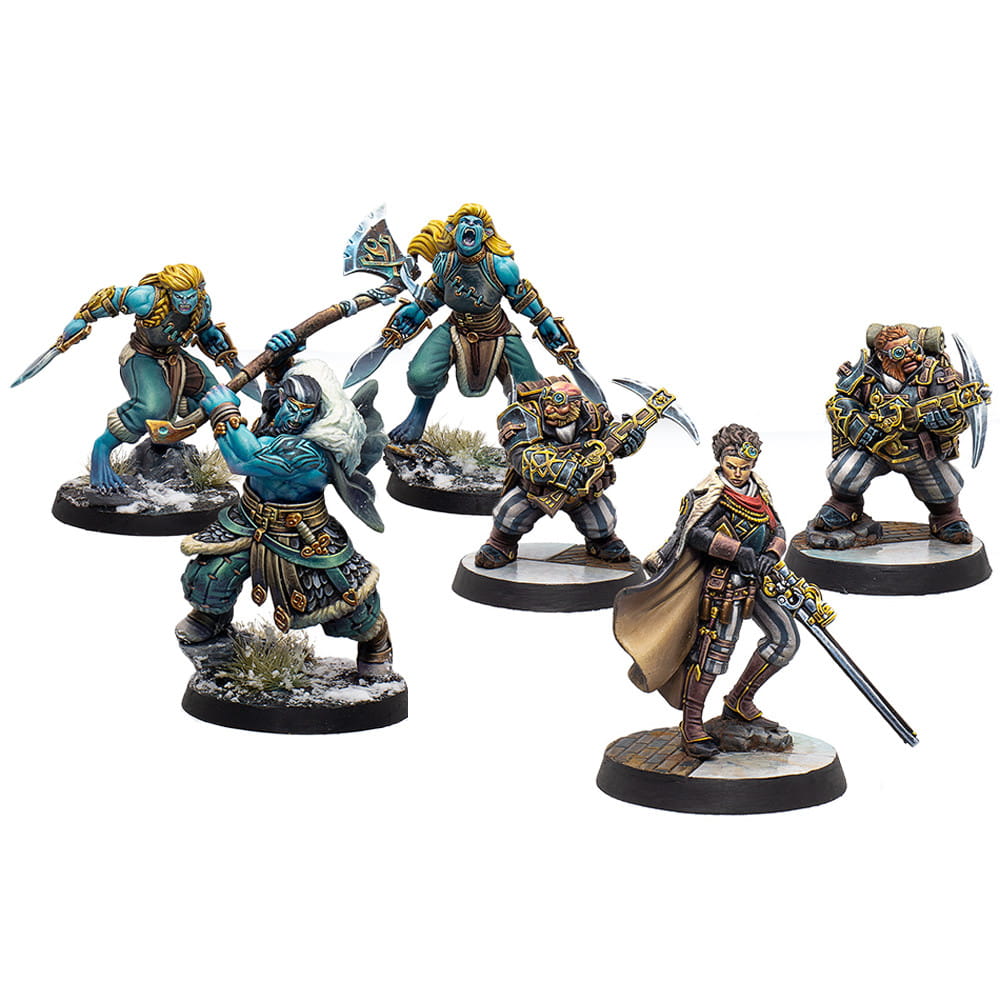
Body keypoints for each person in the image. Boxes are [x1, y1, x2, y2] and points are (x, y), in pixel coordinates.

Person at [174, 347, 392, 676]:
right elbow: (261, 420)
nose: (294, 416)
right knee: (208, 579)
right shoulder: (275, 423)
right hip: (247, 520)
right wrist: (279, 363)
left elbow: (244, 459)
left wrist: (223, 410)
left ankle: (377, 642)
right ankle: (212, 618)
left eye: (305, 411)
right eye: (290, 405)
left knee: (346, 604)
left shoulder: (310, 451)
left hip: (302, 532)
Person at [613, 424, 798, 759]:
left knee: (785, 641)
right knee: (714, 655)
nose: (738, 473)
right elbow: (695, 533)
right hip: (722, 585)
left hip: (758, 578)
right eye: (732, 466)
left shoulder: (759, 491)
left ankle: (740, 700)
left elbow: (778, 527)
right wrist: (737, 551)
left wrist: (772, 553)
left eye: (745, 466)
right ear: (721, 461)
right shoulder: (711, 494)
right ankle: (692, 724)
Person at [378, 204, 585, 442]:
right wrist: (414, 312)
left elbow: (522, 297)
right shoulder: (446, 263)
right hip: (455, 328)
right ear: (454, 230)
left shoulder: (501, 267)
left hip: (496, 331)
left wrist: (544, 320)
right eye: (464, 222)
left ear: (485, 234)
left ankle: (535, 430)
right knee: (421, 376)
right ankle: (417, 416)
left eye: (477, 223)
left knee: (530, 387)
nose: (470, 226)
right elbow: (433, 296)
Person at [55, 263, 257, 490]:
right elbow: (109, 298)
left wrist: (217, 343)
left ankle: (237, 450)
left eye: (190, 297)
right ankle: (102, 449)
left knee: (216, 397)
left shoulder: (203, 303)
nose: (185, 302)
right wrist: (81, 321)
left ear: (199, 291)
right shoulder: (146, 298)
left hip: (176, 357)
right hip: (142, 357)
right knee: (151, 408)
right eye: (179, 297)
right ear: (169, 291)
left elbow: (204, 329)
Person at [809, 323, 983, 546]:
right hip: (874, 448)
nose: (911, 356)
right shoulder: (866, 375)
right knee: (845, 475)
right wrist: (860, 427)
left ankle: (947, 518)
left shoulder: (936, 374)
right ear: (882, 356)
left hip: (919, 450)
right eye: (899, 352)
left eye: (913, 349)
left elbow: (959, 418)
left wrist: (945, 422)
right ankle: (843, 507)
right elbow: (839, 403)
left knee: (943, 489)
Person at [475, 376, 646, 568]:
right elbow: (521, 456)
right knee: (510, 514)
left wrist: (628, 440)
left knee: (602, 523)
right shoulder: (526, 416)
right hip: (535, 491)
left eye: (558, 406)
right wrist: (561, 470)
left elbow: (609, 437)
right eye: (547, 404)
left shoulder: (592, 414)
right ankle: (500, 544)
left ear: (576, 405)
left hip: (584, 490)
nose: (549, 410)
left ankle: (602, 543)